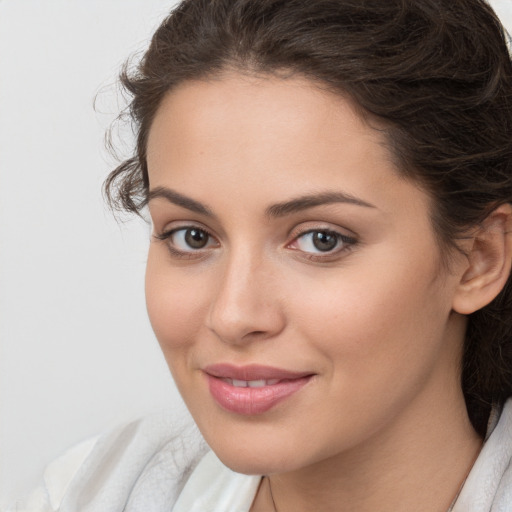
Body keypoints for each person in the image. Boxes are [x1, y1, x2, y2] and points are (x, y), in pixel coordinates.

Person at [16, 0, 512, 511]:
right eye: (192, 236)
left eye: (322, 239)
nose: (233, 316)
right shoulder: (90, 493)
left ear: (479, 259)